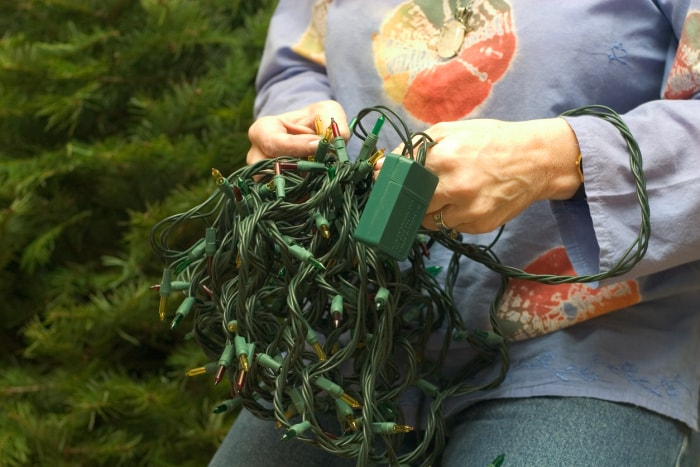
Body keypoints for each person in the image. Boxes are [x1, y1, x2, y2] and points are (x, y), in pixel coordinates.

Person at [209, 1, 700, 465]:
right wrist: (297, 121)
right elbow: (299, 63)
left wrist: (556, 157)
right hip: (348, 333)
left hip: (593, 342)